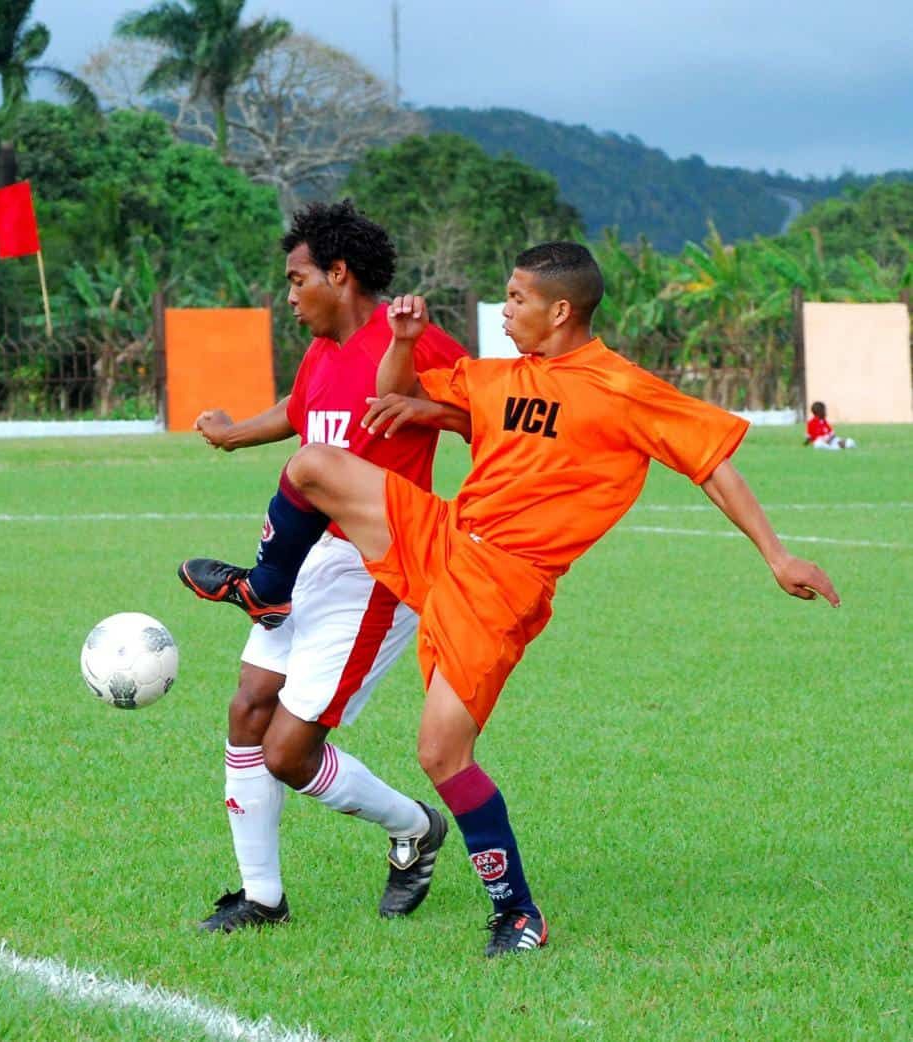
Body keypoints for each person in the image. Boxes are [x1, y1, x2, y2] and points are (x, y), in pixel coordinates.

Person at [189, 241, 841, 956]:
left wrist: (776, 555)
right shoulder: (498, 378)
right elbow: (391, 398)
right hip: (444, 538)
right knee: (314, 463)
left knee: (441, 754)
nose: (505, 312)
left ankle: (517, 912)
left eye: (518, 300)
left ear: (561, 310)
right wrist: (403, 344)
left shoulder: (621, 389)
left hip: (502, 584)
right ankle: (266, 589)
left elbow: (713, 465)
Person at [179, 200, 468, 933]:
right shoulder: (322, 350)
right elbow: (303, 411)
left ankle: (413, 827)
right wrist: (232, 435)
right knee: (248, 706)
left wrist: (431, 415)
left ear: (338, 274)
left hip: (378, 570)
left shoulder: (414, 341)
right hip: (312, 553)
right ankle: (262, 898)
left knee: (287, 753)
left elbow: (481, 412)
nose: (290, 295)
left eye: (296, 278)